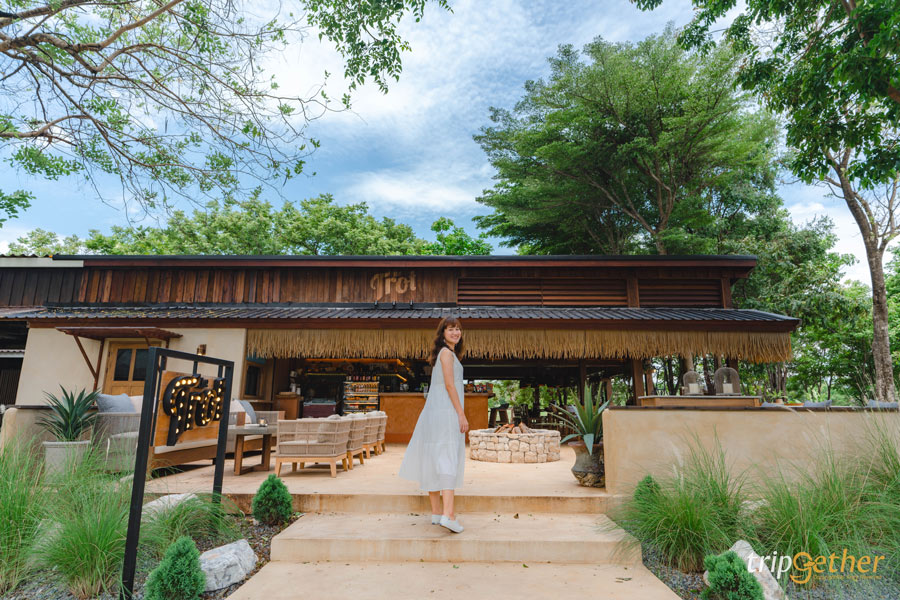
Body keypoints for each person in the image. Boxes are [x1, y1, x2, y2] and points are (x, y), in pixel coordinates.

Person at [398, 316, 468, 533]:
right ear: (442, 333)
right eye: (450, 329)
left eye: (457, 329)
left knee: (434, 458)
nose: (455, 333)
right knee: (447, 458)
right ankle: (449, 515)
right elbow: (449, 385)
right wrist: (461, 414)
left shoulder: (444, 354)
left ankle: (437, 513)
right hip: (446, 413)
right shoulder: (447, 354)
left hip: (436, 413)